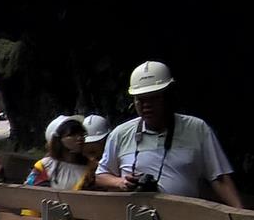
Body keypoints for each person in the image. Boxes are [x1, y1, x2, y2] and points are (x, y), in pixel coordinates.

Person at [95, 61, 242, 207]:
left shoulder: (197, 129)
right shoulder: (121, 133)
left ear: (169, 96)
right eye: (140, 100)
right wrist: (121, 182)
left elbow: (219, 177)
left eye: (153, 98)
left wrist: (241, 215)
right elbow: (101, 175)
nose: (146, 106)